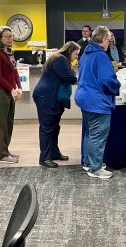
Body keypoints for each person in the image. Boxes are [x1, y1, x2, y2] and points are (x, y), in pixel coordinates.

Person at [75, 25, 121, 179]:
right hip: (97, 101)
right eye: (108, 40)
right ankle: (96, 168)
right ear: (102, 40)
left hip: (85, 98)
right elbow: (107, 79)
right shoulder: (101, 56)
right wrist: (117, 86)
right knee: (98, 135)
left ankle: (88, 163)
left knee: (89, 133)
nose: (109, 43)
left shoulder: (86, 54)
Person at [33, 41, 80, 168]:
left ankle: (53, 153)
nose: (76, 57)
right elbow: (68, 77)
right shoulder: (60, 59)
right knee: (47, 128)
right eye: (76, 54)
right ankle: (44, 158)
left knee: (54, 127)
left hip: (52, 97)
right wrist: (77, 79)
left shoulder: (60, 59)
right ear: (70, 51)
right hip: (46, 97)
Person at [0, 26, 22, 163]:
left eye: (11, 36)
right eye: (7, 36)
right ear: (0, 38)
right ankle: (1, 154)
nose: (10, 38)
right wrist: (11, 89)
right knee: (2, 124)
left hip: (11, 92)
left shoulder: (10, 53)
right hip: (2, 92)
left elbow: (14, 72)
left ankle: (6, 150)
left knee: (9, 123)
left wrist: (19, 87)